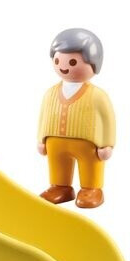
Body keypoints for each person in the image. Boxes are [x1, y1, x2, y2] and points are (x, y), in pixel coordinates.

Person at [37, 28, 115, 208]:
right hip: (55, 142)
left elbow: (108, 120)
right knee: (57, 165)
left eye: (73, 62)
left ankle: (91, 189)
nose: (63, 66)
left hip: (88, 144)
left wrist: (107, 144)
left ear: (94, 63)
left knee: (90, 166)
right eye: (57, 60)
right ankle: (60, 187)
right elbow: (43, 116)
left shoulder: (97, 96)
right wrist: (41, 139)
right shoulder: (50, 93)